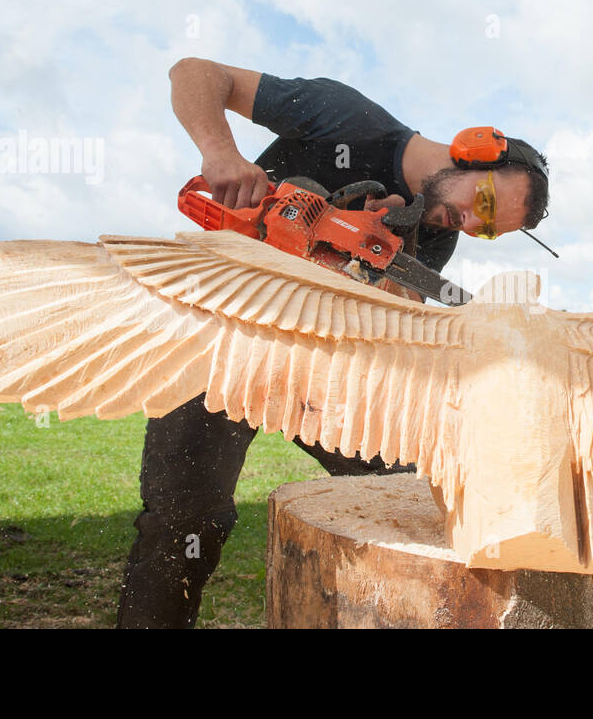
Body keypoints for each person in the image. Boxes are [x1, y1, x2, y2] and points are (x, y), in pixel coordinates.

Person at [116, 58, 550, 628]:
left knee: (403, 493)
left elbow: (391, 321)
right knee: (185, 523)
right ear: (474, 150)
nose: (472, 224)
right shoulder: (347, 119)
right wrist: (222, 154)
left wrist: (385, 268)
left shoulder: (436, 235)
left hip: (317, 369)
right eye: (486, 205)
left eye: (488, 229)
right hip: (220, 340)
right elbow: (194, 72)